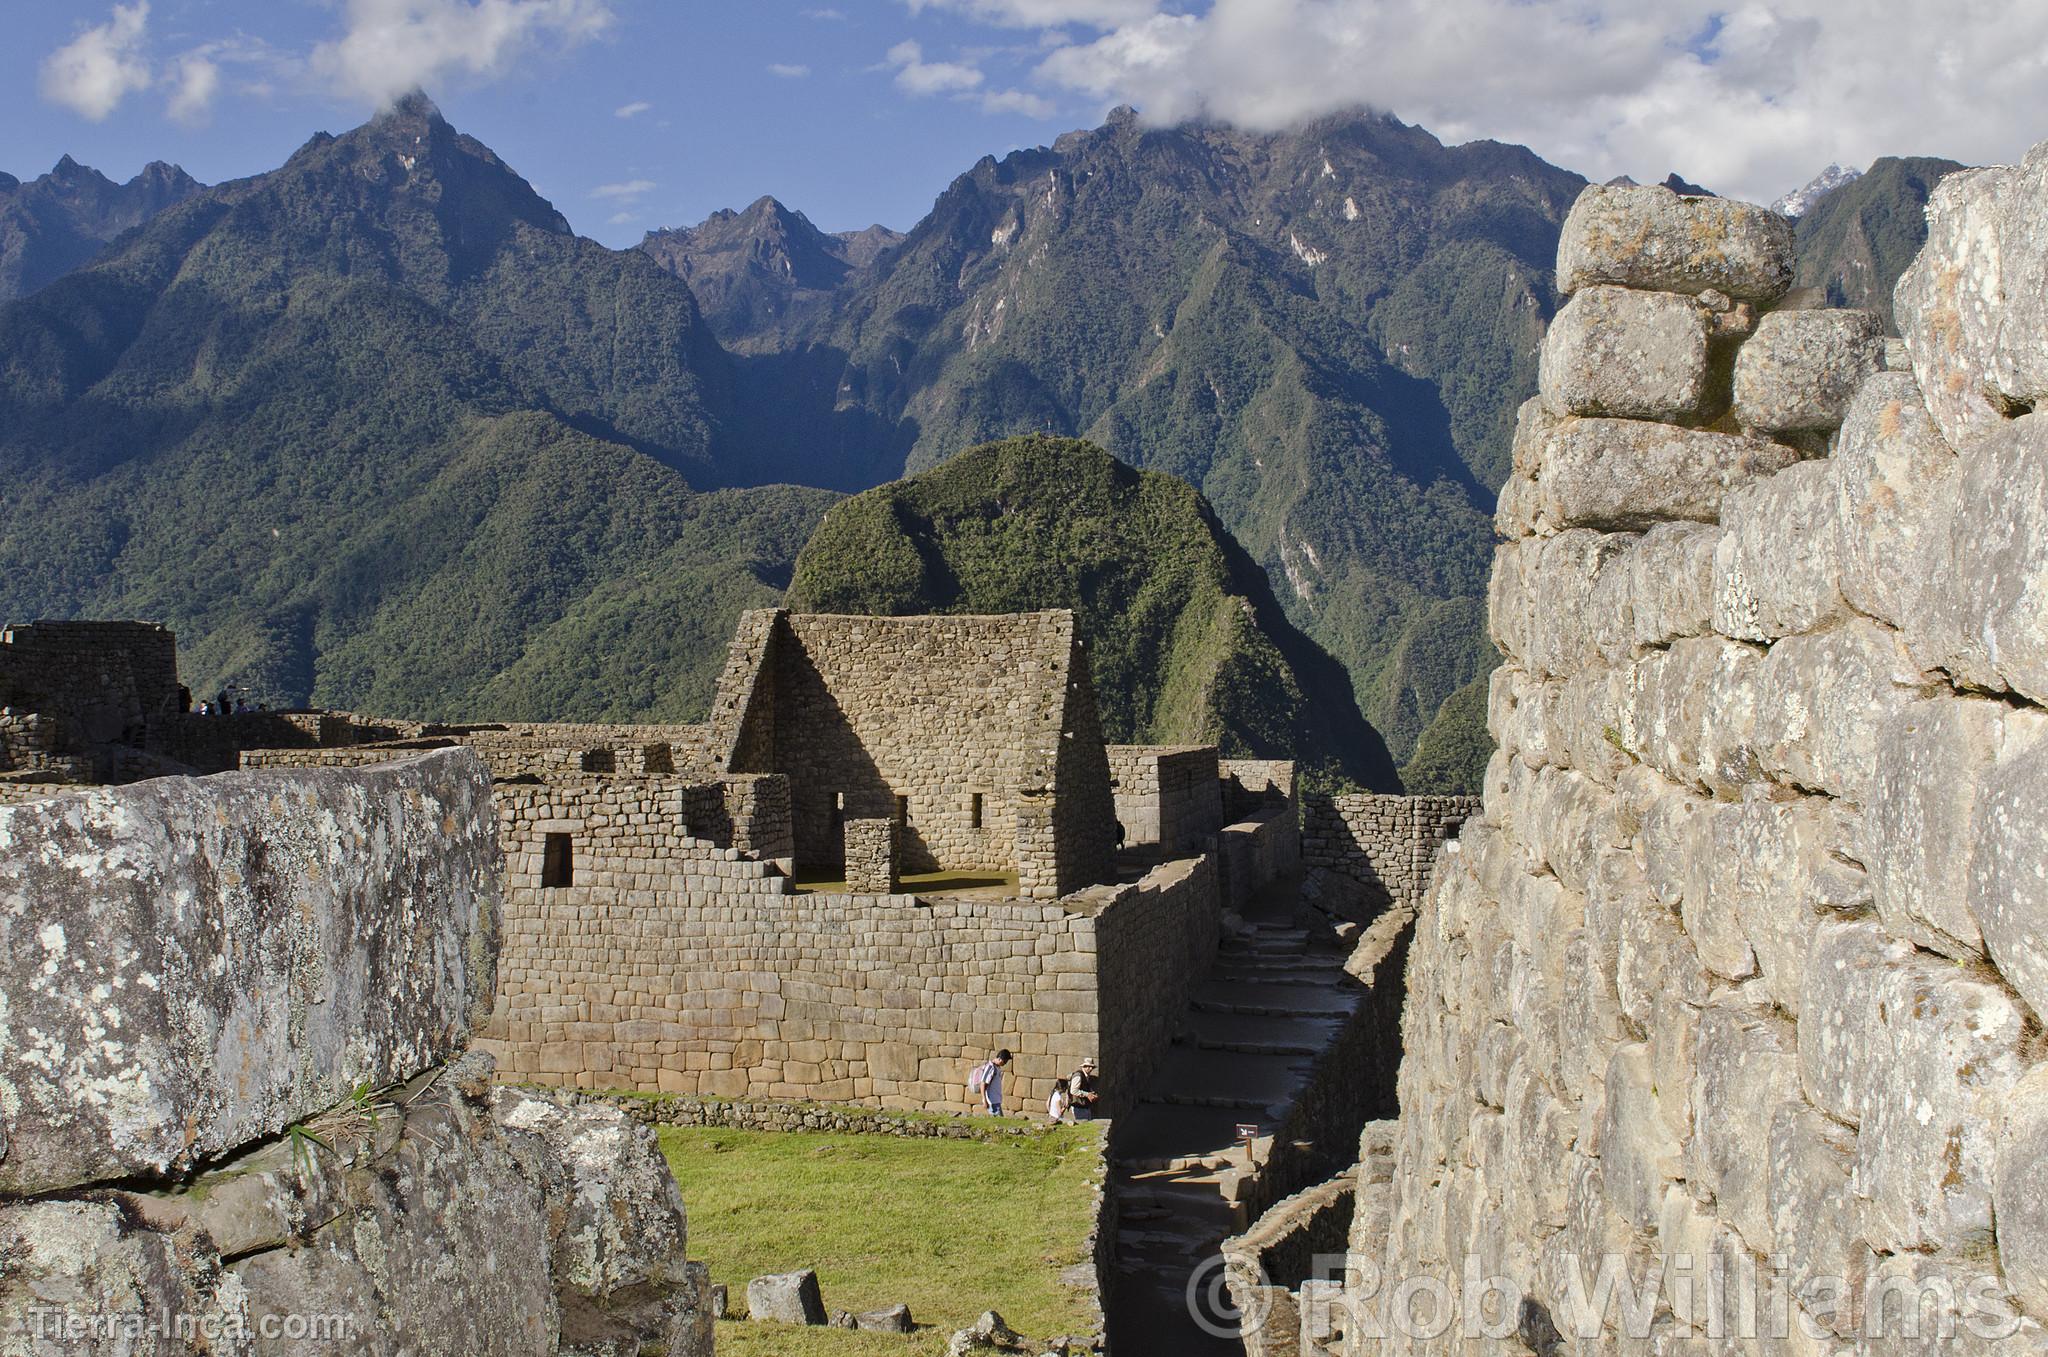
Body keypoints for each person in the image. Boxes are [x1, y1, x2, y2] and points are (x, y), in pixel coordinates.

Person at [970, 1049, 1011, 1116]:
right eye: (1005, 1061)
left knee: (998, 1122)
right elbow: (983, 1083)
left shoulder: (996, 1068)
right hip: (992, 1101)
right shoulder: (991, 1067)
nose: (1005, 1063)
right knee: (999, 1122)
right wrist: (984, 1100)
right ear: (1000, 1059)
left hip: (996, 1100)